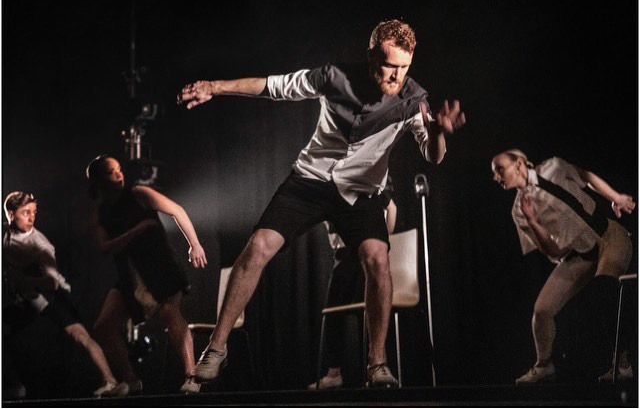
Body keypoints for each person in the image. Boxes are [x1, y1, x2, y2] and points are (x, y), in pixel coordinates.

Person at [178, 19, 465, 388]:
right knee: (258, 247)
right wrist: (213, 87)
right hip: (310, 181)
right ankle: (216, 348)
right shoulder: (332, 77)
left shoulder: (413, 100)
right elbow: (273, 87)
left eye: (403, 67)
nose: (395, 76)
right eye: (388, 65)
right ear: (370, 57)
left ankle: (377, 364)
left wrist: (440, 132)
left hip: (361, 193)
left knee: (378, 258)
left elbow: (433, 155)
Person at [491, 149, 634, 384]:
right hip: (580, 255)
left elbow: (586, 176)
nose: (497, 177)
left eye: (500, 169)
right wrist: (534, 221)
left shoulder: (553, 167)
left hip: (608, 237)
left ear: (518, 165)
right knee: (542, 311)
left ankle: (623, 364)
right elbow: (554, 252)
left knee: (603, 291)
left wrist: (615, 198)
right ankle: (544, 366)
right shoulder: (518, 211)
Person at [85, 155, 208, 394]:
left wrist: (195, 244)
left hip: (160, 267)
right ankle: (130, 379)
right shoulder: (100, 213)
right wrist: (136, 230)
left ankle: (192, 376)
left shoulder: (139, 194)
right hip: (131, 275)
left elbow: (177, 210)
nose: (119, 174)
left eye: (119, 169)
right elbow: (104, 248)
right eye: (112, 172)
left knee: (170, 313)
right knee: (104, 325)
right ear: (99, 181)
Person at [2, 191, 128, 398]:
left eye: (34, 212)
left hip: (52, 296)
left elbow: (51, 282)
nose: (32, 217)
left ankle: (111, 382)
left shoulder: (40, 245)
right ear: (10, 214)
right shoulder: (5, 233)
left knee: (80, 336)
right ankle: (12, 384)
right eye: (26, 212)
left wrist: (21, 280)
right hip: (29, 299)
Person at [309, 186, 397, 390]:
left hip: (359, 253)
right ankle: (334, 374)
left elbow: (391, 207)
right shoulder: (328, 184)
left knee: (368, 312)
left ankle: (376, 366)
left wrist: (383, 241)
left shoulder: (365, 181)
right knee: (333, 314)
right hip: (341, 255)